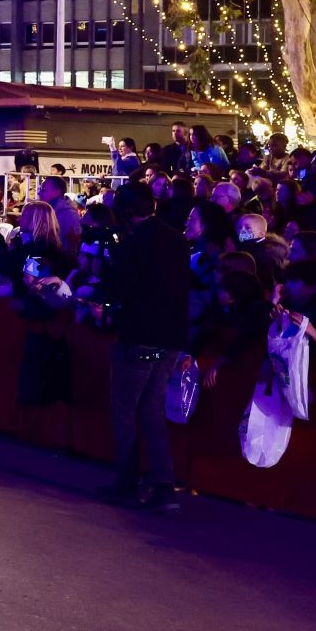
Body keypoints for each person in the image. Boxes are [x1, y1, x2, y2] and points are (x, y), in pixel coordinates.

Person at [100, 182, 191, 511]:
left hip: (140, 336)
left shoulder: (137, 242)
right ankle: (164, 484)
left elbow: (121, 287)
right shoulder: (176, 238)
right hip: (170, 339)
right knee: (152, 412)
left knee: (125, 410)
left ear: (125, 211)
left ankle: (127, 480)